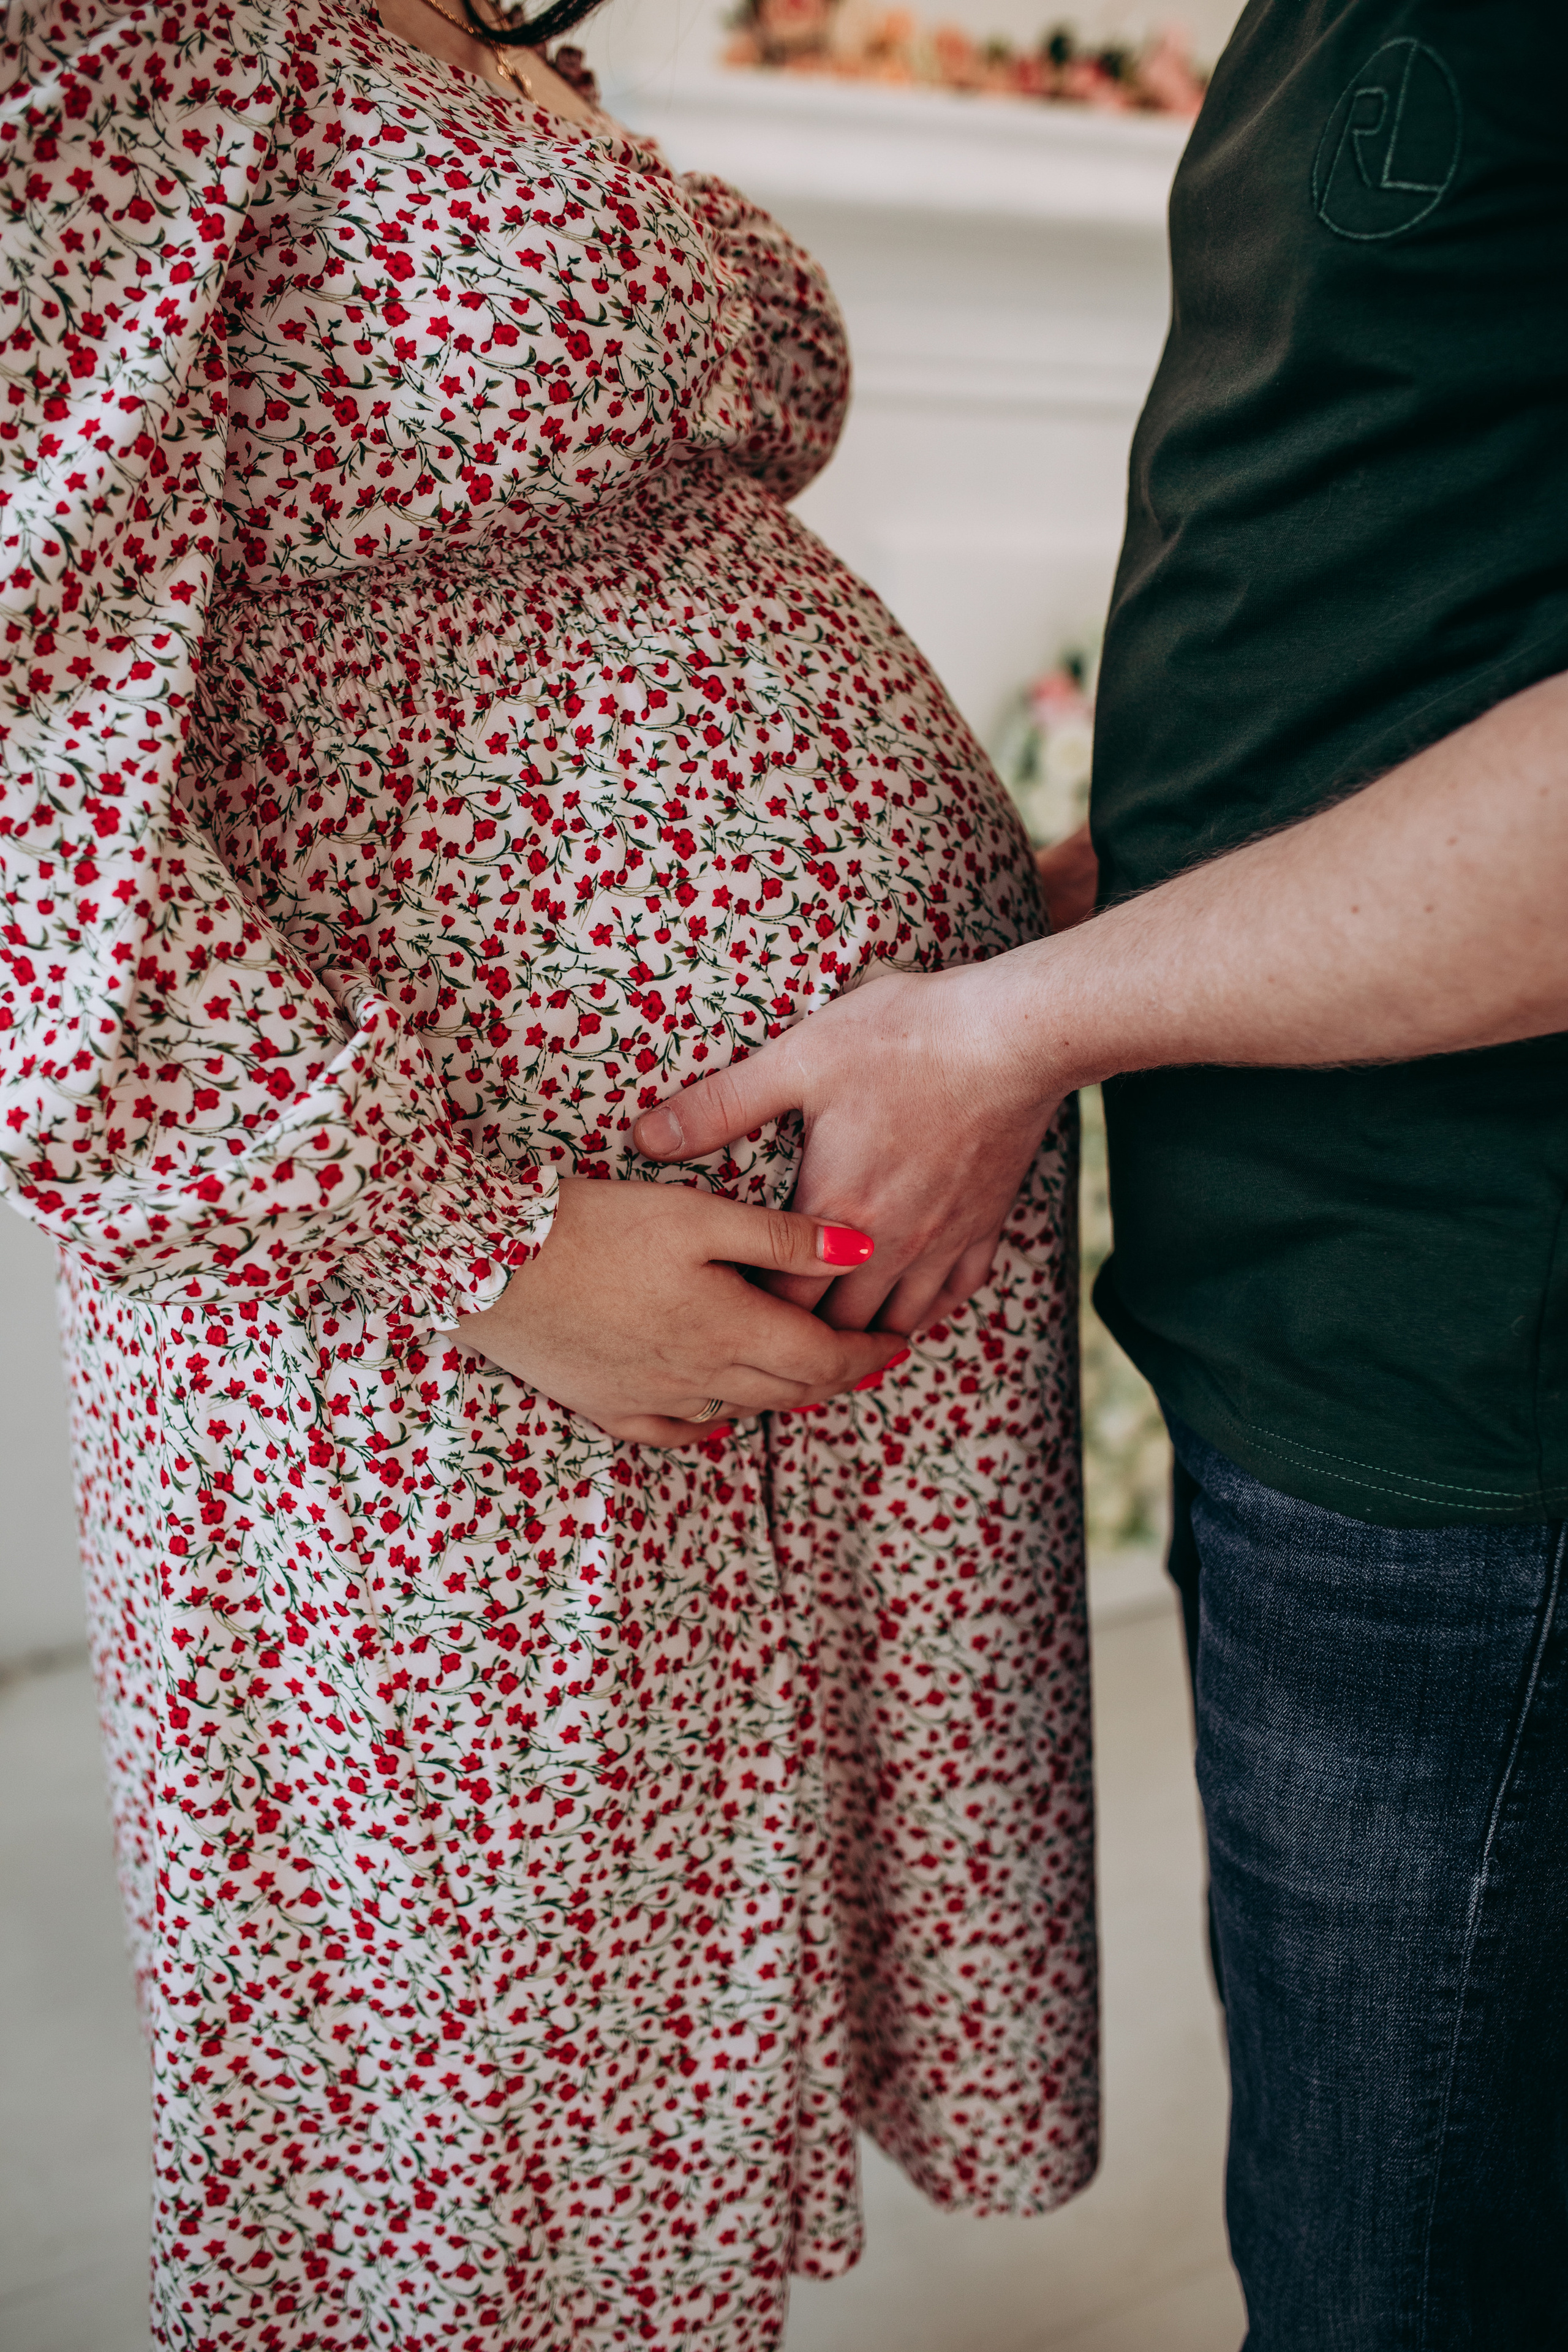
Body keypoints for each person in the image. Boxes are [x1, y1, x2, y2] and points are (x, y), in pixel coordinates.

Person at [0, 0, 1098, 2340]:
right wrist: (476, 1244)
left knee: (650, 2098)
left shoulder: (476, 21)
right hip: (448, 1272)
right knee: (475, 2139)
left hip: (752, 1223)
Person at [635, 6, 1568, 2346]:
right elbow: (1404, 611)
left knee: (1402, 2283)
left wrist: (1010, 1027)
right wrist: (1059, 913)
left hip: (1480, 1381)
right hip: (1318, 1303)